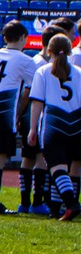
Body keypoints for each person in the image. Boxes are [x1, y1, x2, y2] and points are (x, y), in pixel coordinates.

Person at [0, 19, 35, 215]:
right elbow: (29, 89)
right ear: (23, 38)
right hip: (4, 112)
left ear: (4, 38)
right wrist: (20, 113)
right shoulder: (25, 60)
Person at [27, 32, 80, 222]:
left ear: (49, 51)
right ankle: (63, 208)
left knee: (57, 168)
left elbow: (37, 103)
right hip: (76, 125)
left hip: (54, 125)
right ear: (70, 50)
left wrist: (33, 129)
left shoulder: (43, 72)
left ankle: (71, 203)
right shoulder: (79, 72)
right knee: (74, 167)